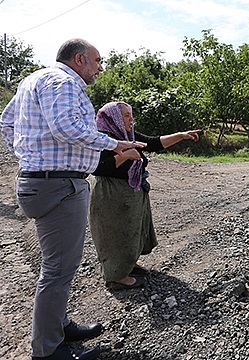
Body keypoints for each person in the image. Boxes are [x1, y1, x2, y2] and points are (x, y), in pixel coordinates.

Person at [0, 39, 146, 360]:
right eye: (97, 60)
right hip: (60, 184)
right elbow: (67, 126)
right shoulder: (66, 81)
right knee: (57, 270)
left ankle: (59, 325)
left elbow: (6, 123)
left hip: (42, 181)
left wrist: (30, 157)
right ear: (79, 59)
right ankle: (48, 350)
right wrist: (113, 144)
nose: (100, 67)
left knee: (60, 266)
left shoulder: (32, 80)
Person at [89, 101, 200, 291]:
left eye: (131, 115)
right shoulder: (102, 138)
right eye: (126, 116)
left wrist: (181, 136)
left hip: (130, 192)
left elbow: (154, 143)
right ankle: (117, 277)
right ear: (113, 118)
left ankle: (128, 265)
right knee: (115, 235)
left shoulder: (127, 135)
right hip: (111, 195)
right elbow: (97, 168)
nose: (131, 120)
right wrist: (123, 156)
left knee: (132, 231)